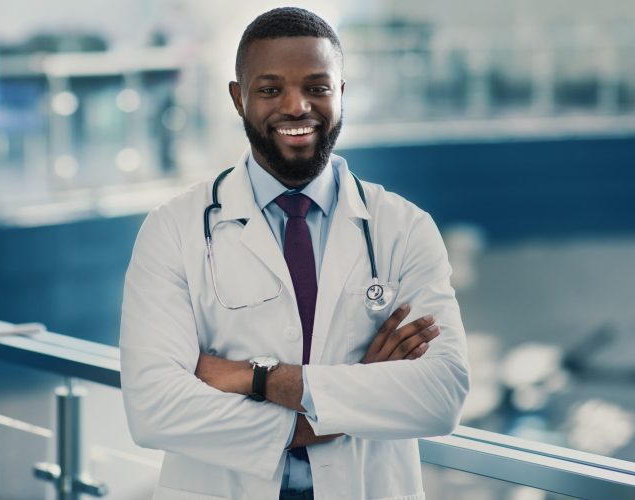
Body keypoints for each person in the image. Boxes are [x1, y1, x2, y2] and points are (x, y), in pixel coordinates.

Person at [120, 7, 469, 500]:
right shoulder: (173, 228)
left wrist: (255, 378)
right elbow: (153, 407)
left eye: (317, 86)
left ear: (341, 94)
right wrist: (339, 406)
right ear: (238, 99)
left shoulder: (404, 228)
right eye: (269, 89)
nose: (296, 106)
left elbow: (441, 395)